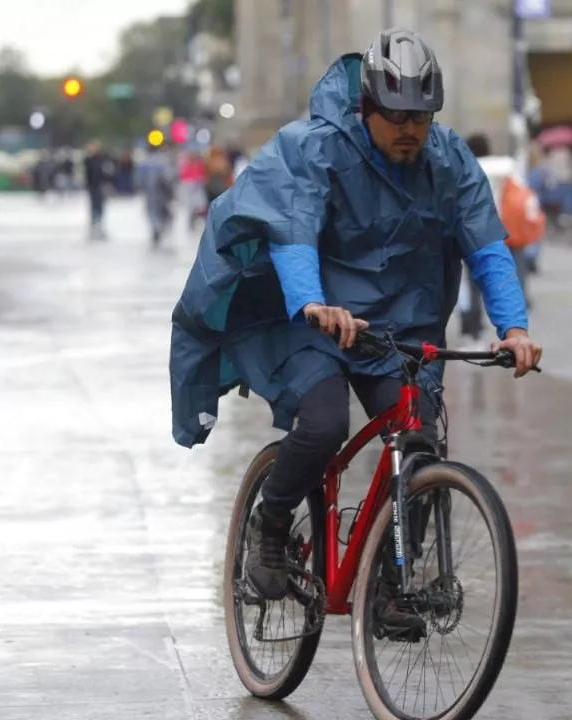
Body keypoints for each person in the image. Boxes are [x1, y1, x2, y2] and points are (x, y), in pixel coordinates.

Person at [170, 30, 540, 633]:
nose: (408, 129)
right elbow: (294, 228)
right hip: (312, 321)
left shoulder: (450, 161)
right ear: (365, 107)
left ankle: (393, 584)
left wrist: (514, 327)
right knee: (322, 424)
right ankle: (270, 523)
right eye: (394, 115)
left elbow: (489, 248)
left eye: (420, 117)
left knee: (418, 442)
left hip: (399, 329)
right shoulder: (316, 148)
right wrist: (313, 302)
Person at [138, 144, 176, 246]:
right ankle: (160, 228)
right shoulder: (164, 161)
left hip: (151, 192)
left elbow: (139, 179)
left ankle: (156, 228)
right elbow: (171, 177)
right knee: (163, 212)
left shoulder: (145, 162)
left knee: (152, 211)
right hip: (162, 192)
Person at [83, 140, 109, 240]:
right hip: (92, 186)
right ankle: (94, 223)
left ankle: (99, 223)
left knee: (100, 205)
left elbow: (105, 172)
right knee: (93, 205)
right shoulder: (88, 160)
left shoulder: (102, 159)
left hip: (100, 185)